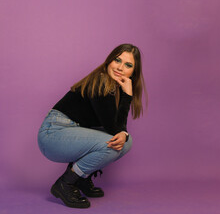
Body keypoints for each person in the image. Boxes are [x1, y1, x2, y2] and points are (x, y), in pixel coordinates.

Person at [38, 43, 147, 208]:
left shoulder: (112, 86)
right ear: (109, 60)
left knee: (125, 141)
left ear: (133, 72)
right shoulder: (102, 81)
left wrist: (123, 133)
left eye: (128, 65)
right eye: (117, 60)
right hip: (53, 134)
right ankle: (65, 183)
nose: (120, 67)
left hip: (69, 133)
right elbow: (114, 129)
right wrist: (127, 95)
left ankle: (81, 178)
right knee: (117, 141)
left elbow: (118, 129)